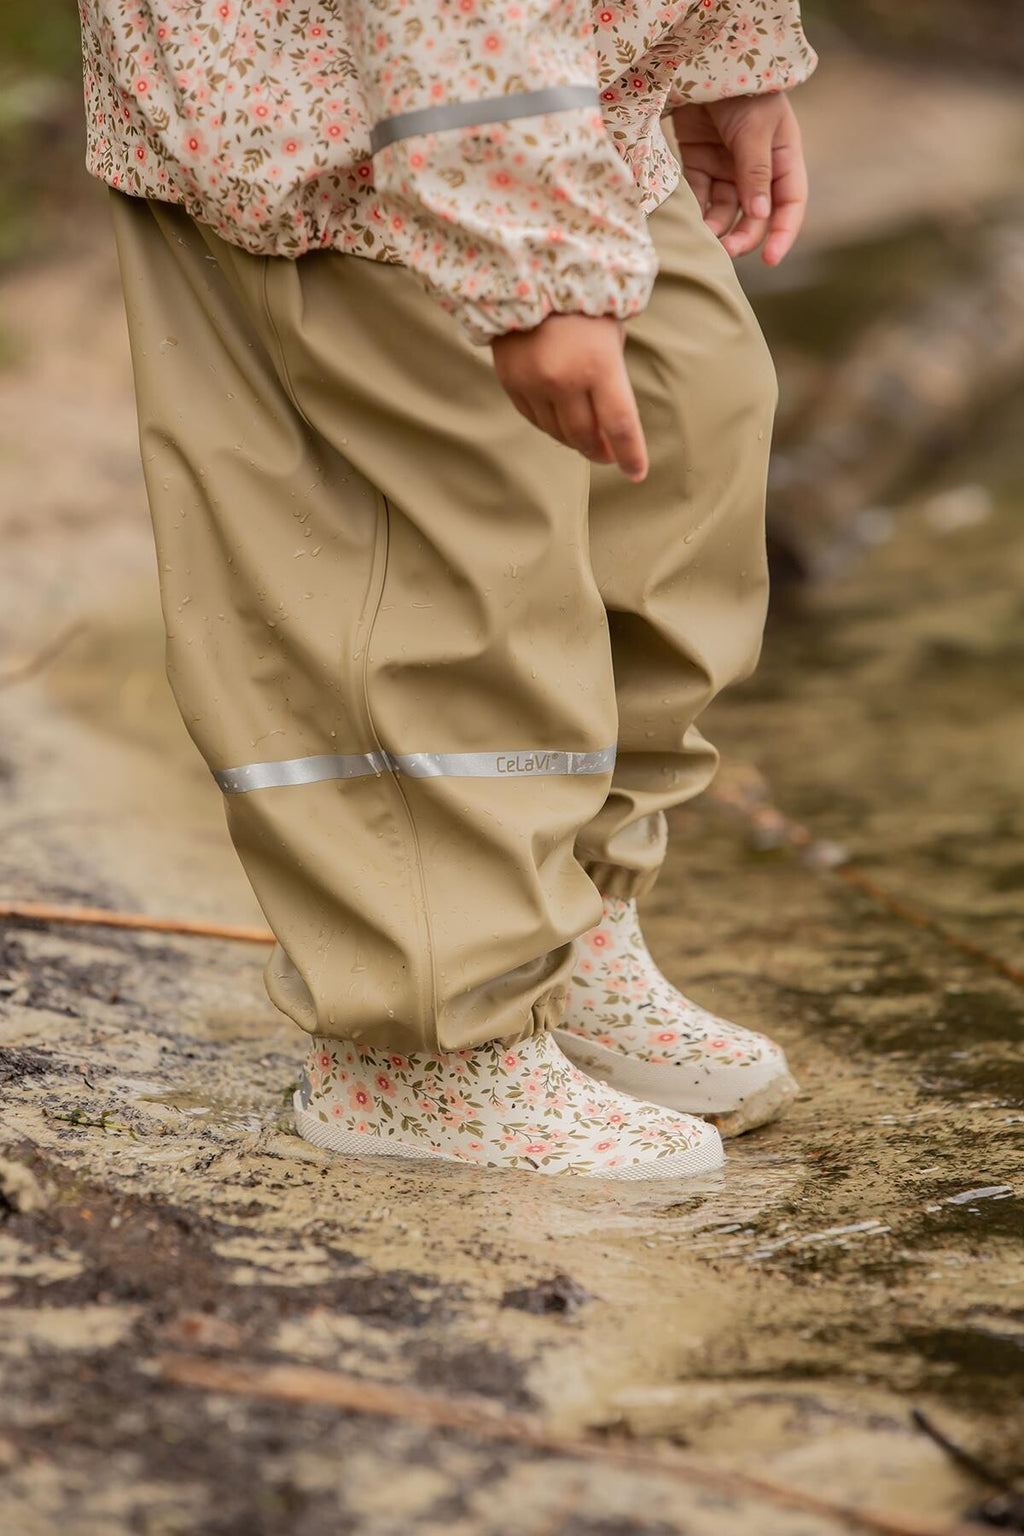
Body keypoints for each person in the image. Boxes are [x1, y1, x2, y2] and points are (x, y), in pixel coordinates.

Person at [79, 1, 816, 1178]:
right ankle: (423, 1042)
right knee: (432, 575)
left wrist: (722, 53)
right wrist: (528, 263)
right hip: (340, 110)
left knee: (687, 432)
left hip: (562, 89)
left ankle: (566, 941)